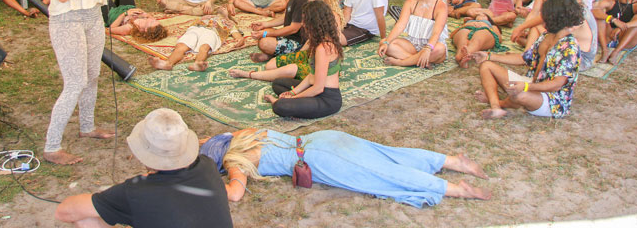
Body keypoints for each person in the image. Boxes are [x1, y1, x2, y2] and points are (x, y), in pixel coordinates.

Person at [199, 128, 491, 207]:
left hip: (319, 159)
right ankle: (450, 161)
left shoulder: (235, 161)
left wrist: (204, 184)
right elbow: (202, 141)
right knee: (387, 155)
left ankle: (454, 189)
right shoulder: (241, 134)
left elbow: (234, 195)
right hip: (319, 138)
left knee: (380, 174)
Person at [55, 108, 233, 228]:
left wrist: (109, 199)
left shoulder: (137, 191)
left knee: (86, 218)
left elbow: (65, 211)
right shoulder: (207, 165)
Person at [43, 0, 115, 165]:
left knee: (93, 74)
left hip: (93, 15)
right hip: (67, 19)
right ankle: (52, 146)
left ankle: (87, 127)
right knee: (75, 82)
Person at [468, 0, 583, 119]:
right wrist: (489, 56)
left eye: (545, 16)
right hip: (531, 83)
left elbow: (556, 85)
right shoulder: (547, 34)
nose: (541, 19)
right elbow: (524, 58)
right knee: (486, 65)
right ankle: (496, 107)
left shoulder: (570, 48)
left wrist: (527, 87)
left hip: (551, 99)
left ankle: (500, 103)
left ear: (555, 19)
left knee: (520, 94)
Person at [230, 0, 346, 82]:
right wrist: (299, 56)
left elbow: (334, 45)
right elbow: (310, 40)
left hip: (322, 63)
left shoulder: (332, 15)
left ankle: (250, 75)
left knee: (287, 70)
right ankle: (288, 72)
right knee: (270, 66)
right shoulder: (311, 8)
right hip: (309, 53)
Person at [262, 1, 343, 119]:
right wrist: (293, 92)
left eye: (305, 20)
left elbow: (318, 88)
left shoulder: (323, 48)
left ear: (314, 23)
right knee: (278, 83)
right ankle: (295, 102)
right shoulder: (322, 41)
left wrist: (293, 98)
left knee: (280, 106)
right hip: (316, 90)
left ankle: (279, 102)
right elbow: (311, 76)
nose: (303, 24)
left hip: (327, 99)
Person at [378, 0, 448, 68]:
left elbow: (436, 32)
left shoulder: (441, 6)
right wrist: (387, 42)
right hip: (413, 43)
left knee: (440, 49)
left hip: (432, 44)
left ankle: (401, 62)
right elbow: (400, 25)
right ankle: (418, 61)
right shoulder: (411, 2)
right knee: (384, 42)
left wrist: (427, 49)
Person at [149, 7, 244, 72]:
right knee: (182, 45)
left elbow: (238, 37)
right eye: (221, 7)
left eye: (225, 8)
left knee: (204, 47)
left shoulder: (230, 23)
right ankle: (168, 63)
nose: (223, 7)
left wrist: (239, 41)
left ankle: (198, 63)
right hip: (196, 29)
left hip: (213, 32)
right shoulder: (206, 16)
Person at [593, 0, 637, 64]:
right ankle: (605, 50)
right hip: (607, 38)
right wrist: (613, 19)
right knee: (600, 15)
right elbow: (592, 9)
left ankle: (616, 52)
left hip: (626, 41)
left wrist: (623, 26)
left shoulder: (636, 5)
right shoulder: (611, 1)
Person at [559, 0, 598, 71]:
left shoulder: (579, 11)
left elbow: (560, 34)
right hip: (572, 51)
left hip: (582, 58)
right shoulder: (574, 7)